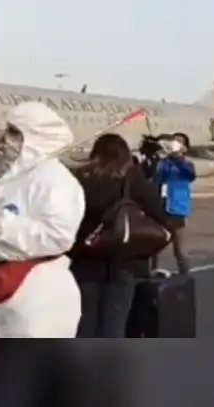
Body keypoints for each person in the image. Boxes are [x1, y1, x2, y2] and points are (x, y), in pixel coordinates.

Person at [0, 101, 86, 337]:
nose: (4, 138)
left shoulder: (54, 181)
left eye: (13, 132)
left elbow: (57, 237)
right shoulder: (14, 177)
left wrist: (1, 220)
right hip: (1, 288)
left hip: (36, 294)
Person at [69, 134, 170, 338]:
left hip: (85, 259)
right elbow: (161, 216)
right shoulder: (133, 179)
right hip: (124, 261)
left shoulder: (79, 179)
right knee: (114, 320)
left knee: (85, 321)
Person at [155, 132, 196, 275]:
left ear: (185, 148)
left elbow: (190, 174)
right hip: (161, 208)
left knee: (180, 250)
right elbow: (159, 177)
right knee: (153, 246)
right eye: (173, 141)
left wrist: (177, 157)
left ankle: (185, 276)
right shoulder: (164, 163)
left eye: (179, 142)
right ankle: (152, 274)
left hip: (177, 210)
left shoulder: (186, 164)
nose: (174, 143)